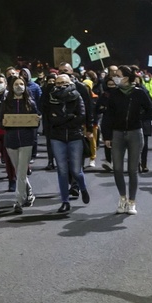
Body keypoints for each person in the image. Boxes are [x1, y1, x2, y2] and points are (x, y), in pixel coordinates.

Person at [103, 66, 152, 215]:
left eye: (118, 75)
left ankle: (132, 201)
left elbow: (151, 111)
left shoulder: (139, 93)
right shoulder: (114, 94)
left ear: (126, 78)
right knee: (118, 168)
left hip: (135, 133)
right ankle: (122, 198)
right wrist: (107, 136)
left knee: (132, 170)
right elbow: (108, 116)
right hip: (117, 133)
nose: (115, 78)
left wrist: (138, 118)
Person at [43, 74, 90, 213]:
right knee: (62, 171)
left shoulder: (77, 97)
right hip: (57, 137)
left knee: (76, 171)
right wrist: (69, 117)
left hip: (75, 136)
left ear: (70, 83)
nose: (61, 85)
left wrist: (63, 118)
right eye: (58, 83)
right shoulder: (51, 98)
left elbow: (81, 117)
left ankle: (82, 187)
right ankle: (65, 201)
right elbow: (51, 119)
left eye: (64, 82)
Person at [3, 80, 39, 213]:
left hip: (26, 142)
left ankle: (18, 200)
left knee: (22, 173)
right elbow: (1, 121)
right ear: (11, 87)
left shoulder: (30, 103)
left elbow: (35, 124)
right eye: (16, 84)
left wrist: (33, 143)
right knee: (19, 172)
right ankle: (29, 193)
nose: (19, 87)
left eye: (22, 84)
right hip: (11, 141)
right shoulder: (6, 103)